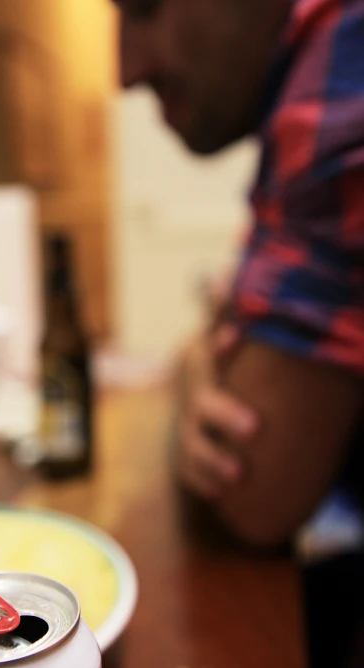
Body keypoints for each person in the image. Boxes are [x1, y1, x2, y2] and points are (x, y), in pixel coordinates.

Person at [115, 0, 364, 547]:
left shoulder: (343, 73)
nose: (125, 72)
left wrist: (193, 371)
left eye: (141, 9)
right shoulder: (305, 82)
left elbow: (252, 496)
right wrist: (193, 361)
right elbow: (227, 311)